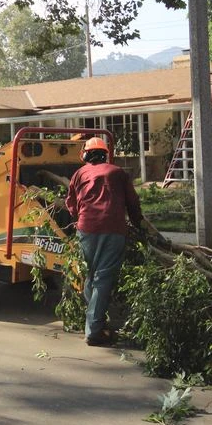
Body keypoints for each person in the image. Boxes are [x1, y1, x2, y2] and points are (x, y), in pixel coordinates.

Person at [65, 137, 143, 346]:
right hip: (113, 228)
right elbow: (132, 202)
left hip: (87, 228)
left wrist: (77, 220)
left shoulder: (79, 173)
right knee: (103, 276)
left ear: (86, 154)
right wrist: (139, 224)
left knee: (91, 275)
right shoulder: (117, 172)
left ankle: (95, 322)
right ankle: (94, 330)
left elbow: (71, 203)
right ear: (105, 154)